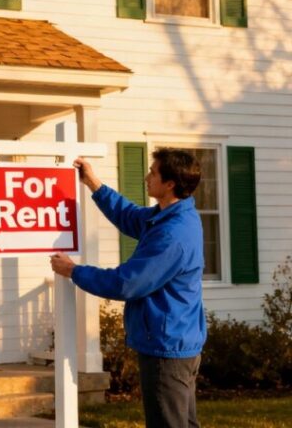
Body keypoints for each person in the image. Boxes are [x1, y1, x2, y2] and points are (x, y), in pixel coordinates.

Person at [50, 148, 205, 428]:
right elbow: (130, 216)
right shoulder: (168, 217)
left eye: (153, 172)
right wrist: (93, 184)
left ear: (170, 183)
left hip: (165, 347)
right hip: (177, 341)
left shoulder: (173, 234)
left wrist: (74, 271)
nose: (147, 177)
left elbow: (127, 283)